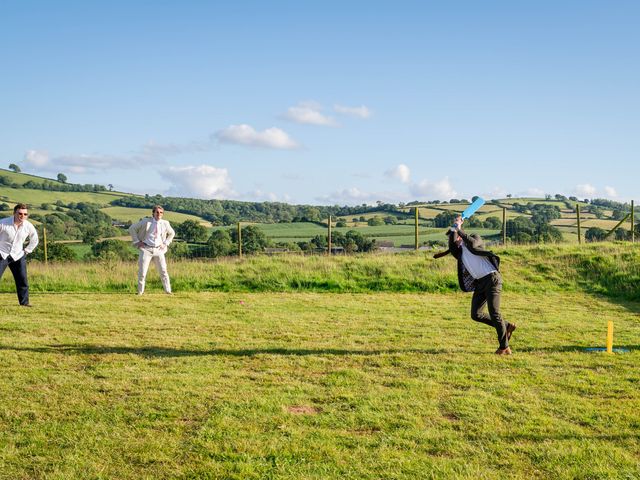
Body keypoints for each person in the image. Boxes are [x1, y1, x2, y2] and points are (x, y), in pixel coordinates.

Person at [434, 215, 516, 354]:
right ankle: (506, 325)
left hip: (492, 279)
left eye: (455, 236)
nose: (454, 240)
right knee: (476, 314)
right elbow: (453, 246)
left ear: (461, 235)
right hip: (480, 283)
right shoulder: (459, 253)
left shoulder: (475, 238)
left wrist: (458, 228)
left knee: (494, 313)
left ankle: (504, 347)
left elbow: (472, 244)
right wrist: (454, 231)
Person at [129, 205, 175, 295]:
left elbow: (172, 233)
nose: (159, 214)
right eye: (157, 212)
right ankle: (140, 292)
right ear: (153, 213)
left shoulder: (165, 223)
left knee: (163, 271)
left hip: (159, 250)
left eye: (161, 212)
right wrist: (137, 241)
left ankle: (168, 291)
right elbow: (132, 228)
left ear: (163, 214)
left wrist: (165, 243)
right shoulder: (146, 221)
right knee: (142, 272)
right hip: (146, 249)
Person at [0, 203, 39, 306]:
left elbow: (34, 240)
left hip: (18, 255)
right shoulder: (3, 223)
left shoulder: (28, 226)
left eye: (25, 214)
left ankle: (24, 303)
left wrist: (26, 251)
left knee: (22, 280)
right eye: (20, 214)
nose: (22, 216)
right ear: (14, 213)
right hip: (2, 254)